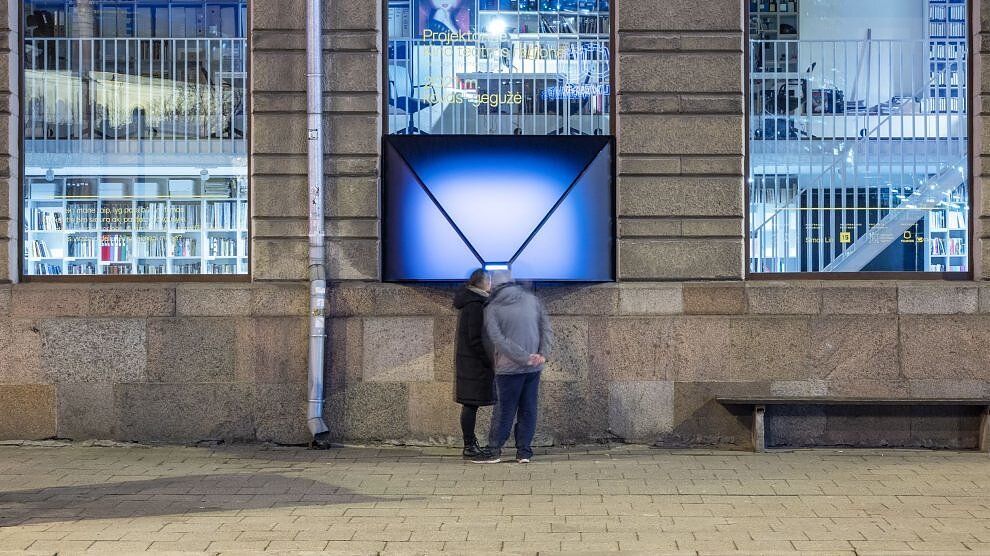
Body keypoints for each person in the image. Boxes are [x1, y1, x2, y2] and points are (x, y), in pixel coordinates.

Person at [473, 269, 552, 464]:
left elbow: (498, 339)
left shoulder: (492, 306)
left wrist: (523, 357)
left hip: (508, 368)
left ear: (495, 284)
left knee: (504, 410)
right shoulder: (532, 300)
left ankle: (494, 450)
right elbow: (546, 329)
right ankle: (524, 451)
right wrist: (541, 355)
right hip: (534, 368)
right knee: (529, 408)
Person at [453, 268, 495, 458]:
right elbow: (476, 338)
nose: (491, 285)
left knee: (470, 404)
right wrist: (489, 361)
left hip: (469, 362)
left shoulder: (471, 302)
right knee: (470, 404)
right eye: (489, 281)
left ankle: (470, 443)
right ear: (482, 283)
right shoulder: (475, 305)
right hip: (474, 364)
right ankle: (469, 445)